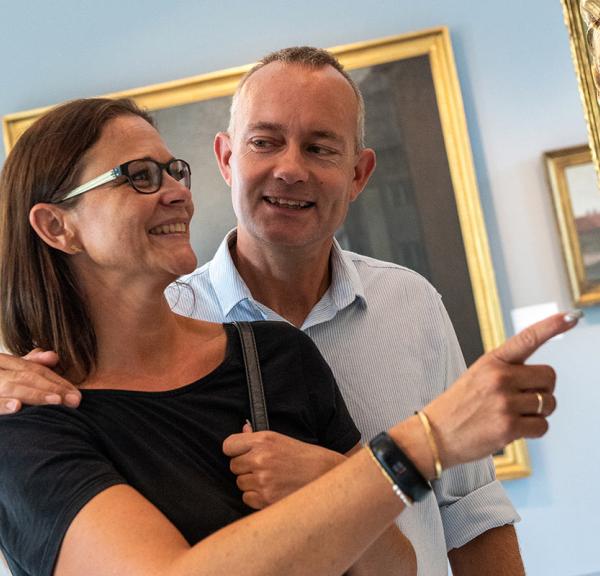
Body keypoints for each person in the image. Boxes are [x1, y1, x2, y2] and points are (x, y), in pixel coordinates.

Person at [0, 49, 578, 575]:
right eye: (265, 142)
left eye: (321, 147)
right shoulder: (35, 407)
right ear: (227, 158)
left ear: (358, 175)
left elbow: (461, 513)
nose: (291, 169)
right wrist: (423, 441)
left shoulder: (299, 344)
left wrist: (332, 478)